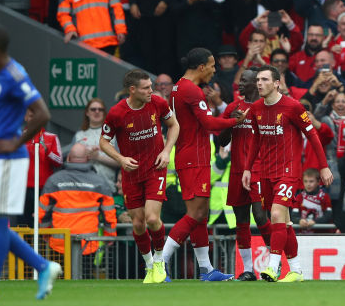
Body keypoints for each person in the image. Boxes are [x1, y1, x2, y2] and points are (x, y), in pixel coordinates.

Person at [0, 25, 62, 301]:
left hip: (8, 158)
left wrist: (16, 142)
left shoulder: (14, 74)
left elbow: (42, 113)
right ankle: (43, 266)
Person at [242, 65, 333, 281]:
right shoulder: (256, 108)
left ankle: (273, 267)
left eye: (264, 80)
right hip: (265, 171)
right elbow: (255, 140)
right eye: (258, 80)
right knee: (285, 221)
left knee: (275, 215)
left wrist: (323, 166)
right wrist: (248, 168)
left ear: (276, 83)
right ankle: (296, 270)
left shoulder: (293, 107)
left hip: (289, 171)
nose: (259, 83)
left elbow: (312, 136)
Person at [161, 48, 244, 280]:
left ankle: (206, 269)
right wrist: (234, 121)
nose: (214, 70)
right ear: (201, 67)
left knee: (201, 214)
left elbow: (195, 120)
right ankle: (159, 262)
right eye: (211, 65)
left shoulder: (179, 87)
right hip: (194, 157)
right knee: (195, 213)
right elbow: (208, 123)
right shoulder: (190, 90)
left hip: (189, 155)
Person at [100, 69, 180, 283]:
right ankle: (148, 265)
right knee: (138, 223)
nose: (151, 91)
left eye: (150, 86)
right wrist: (121, 159)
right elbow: (103, 142)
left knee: (152, 218)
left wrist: (166, 151)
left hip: (155, 168)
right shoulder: (117, 113)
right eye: (146, 88)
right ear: (132, 90)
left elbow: (174, 126)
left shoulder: (158, 103)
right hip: (131, 172)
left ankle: (160, 260)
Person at [222, 69, 273, 280]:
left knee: (261, 215)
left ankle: (274, 263)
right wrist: (230, 122)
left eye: (245, 80)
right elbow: (221, 141)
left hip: (259, 169)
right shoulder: (233, 108)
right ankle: (248, 270)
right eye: (240, 80)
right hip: (236, 170)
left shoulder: (265, 108)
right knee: (241, 220)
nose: (240, 84)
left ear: (256, 83)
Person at [38, 144, 118, 269]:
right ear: (87, 158)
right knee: (86, 281)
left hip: (59, 244)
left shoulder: (53, 181)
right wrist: (109, 236)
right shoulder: (100, 182)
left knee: (59, 281)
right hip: (88, 244)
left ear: (68, 158)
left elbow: (42, 214)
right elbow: (109, 214)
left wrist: (45, 234)